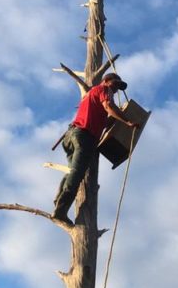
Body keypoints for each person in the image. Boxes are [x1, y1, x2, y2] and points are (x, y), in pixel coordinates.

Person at [52, 72, 138, 225]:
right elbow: (109, 106)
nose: (116, 89)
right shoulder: (104, 90)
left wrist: (116, 117)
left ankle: (58, 200)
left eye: (119, 87)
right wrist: (128, 121)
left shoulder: (91, 95)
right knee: (78, 173)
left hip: (71, 135)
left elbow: (104, 119)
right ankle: (61, 209)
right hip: (83, 136)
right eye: (115, 84)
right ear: (106, 81)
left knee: (73, 171)